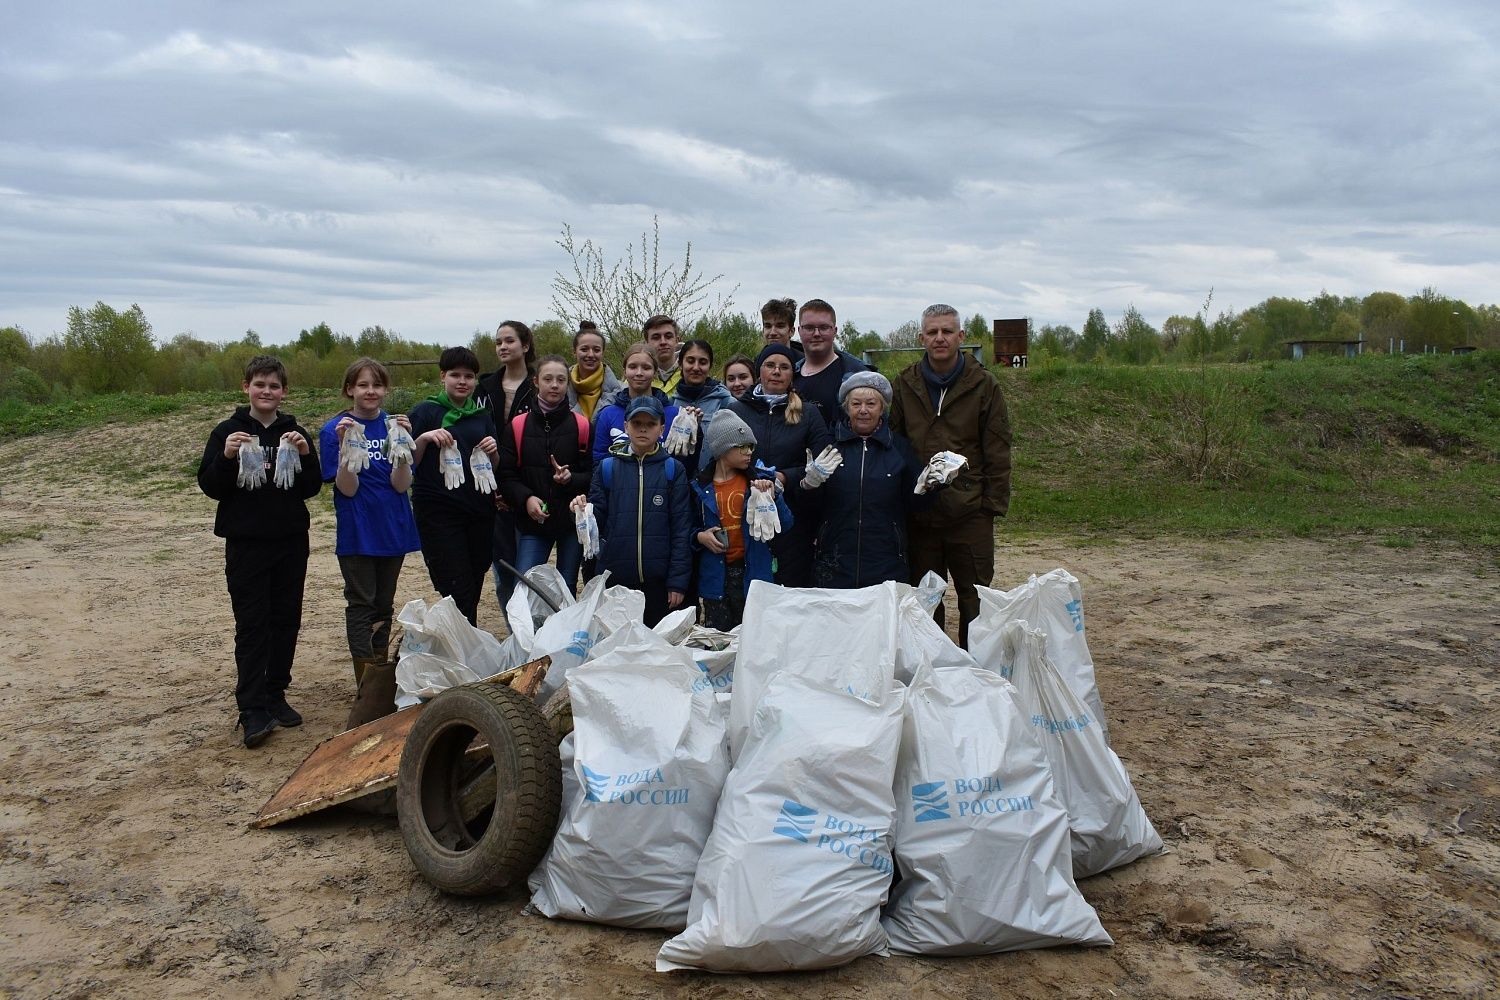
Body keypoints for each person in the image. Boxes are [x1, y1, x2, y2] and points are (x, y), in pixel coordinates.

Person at [197, 355, 321, 748]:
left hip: (290, 542)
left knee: (286, 620)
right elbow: (211, 486)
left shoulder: (295, 432)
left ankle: (275, 693)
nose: (266, 391)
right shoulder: (227, 432)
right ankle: (251, 708)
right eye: (259, 384)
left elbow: (311, 487)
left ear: (284, 391)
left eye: (274, 386)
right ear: (246, 387)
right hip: (246, 543)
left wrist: (305, 454)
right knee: (252, 625)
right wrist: (226, 457)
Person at [889, 304, 1012, 649]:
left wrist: (990, 507)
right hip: (921, 514)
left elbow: (998, 449)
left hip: (970, 512)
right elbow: (895, 442)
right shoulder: (905, 383)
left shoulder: (984, 385)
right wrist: (905, 498)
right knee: (925, 600)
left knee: (976, 599)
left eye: (947, 331)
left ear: (961, 336)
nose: (939, 338)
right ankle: (933, 667)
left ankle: (977, 666)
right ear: (921, 338)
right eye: (932, 332)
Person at [318, 358, 422, 729]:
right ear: (350, 389)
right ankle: (365, 684)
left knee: (383, 604)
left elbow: (400, 484)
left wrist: (404, 448)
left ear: (385, 389)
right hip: (359, 530)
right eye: (362, 385)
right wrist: (345, 447)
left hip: (393, 527)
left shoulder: (393, 426)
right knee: (361, 604)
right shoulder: (334, 429)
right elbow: (347, 489)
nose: (370, 392)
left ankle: (379, 677)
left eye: (377, 385)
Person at [575, 396, 693, 626]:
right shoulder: (607, 468)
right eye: (637, 423)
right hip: (616, 580)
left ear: (662, 429)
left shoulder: (672, 469)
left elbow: (681, 529)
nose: (643, 429)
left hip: (658, 581)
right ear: (626, 426)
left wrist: (677, 582)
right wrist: (581, 512)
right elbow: (596, 525)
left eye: (650, 424)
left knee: (655, 642)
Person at [408, 346, 500, 626]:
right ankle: (462, 641)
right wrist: (424, 438)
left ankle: (463, 636)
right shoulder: (425, 412)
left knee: (474, 578)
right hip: (439, 512)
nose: (462, 381)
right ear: (442, 377)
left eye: (469, 376)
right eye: (455, 375)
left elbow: (493, 467)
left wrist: (493, 450)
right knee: (456, 585)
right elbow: (407, 462)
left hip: (479, 511)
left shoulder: (481, 415)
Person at [726, 344, 831, 587]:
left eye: (784, 367)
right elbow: (723, 459)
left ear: (792, 374)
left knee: (790, 589)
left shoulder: (808, 413)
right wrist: (754, 478)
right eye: (770, 365)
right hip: (745, 511)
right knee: (751, 588)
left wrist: (786, 477)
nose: (776, 371)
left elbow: (822, 461)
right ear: (759, 371)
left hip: (794, 517)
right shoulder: (736, 410)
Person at [813, 372, 930, 589]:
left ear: (882, 408)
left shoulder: (899, 448)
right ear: (846, 408)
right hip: (835, 559)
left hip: (886, 558)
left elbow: (916, 504)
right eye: (856, 404)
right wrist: (808, 485)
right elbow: (811, 505)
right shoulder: (828, 446)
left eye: (871, 404)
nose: (863, 410)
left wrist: (931, 486)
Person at [498, 355, 592, 597]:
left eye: (561, 380)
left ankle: (563, 624)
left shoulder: (582, 425)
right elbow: (506, 475)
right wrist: (526, 498)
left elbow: (592, 474)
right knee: (525, 586)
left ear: (568, 383)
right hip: (533, 522)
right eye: (548, 379)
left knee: (566, 587)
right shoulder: (518, 426)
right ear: (536, 381)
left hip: (570, 521)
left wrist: (571, 479)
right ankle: (530, 625)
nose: (554, 385)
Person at [692, 410, 791, 630]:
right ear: (722, 448)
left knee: (756, 638)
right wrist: (699, 537)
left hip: (754, 575)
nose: (749, 453)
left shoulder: (760, 480)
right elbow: (687, 527)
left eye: (751, 447)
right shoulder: (700, 486)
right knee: (718, 642)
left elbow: (785, 525)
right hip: (715, 579)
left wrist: (773, 497)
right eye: (742, 447)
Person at [476, 320, 536, 613]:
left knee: (529, 563)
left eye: (509, 341)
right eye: (498, 342)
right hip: (490, 481)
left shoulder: (539, 383)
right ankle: (513, 627)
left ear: (525, 345)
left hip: (527, 482)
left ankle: (531, 626)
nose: (503, 347)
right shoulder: (484, 387)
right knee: (502, 563)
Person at [591, 342, 680, 465]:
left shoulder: (675, 415)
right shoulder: (607, 414)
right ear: (625, 372)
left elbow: (682, 463)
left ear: (655, 372)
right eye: (632, 367)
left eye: (646, 367)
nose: (639, 372)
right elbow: (599, 461)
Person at [793, 298, 872, 428]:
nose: (816, 334)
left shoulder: (858, 375)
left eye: (824, 327)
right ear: (799, 330)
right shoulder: (788, 376)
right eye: (809, 328)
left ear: (835, 331)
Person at [671, 338, 734, 472]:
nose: (696, 367)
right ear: (680, 363)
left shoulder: (726, 402)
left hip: (715, 480)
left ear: (710, 366)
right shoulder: (671, 404)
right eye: (690, 361)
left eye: (703, 362)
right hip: (679, 479)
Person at [566, 321, 621, 421]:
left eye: (596, 350)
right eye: (584, 349)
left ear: (603, 353)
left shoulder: (621, 393)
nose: (591, 354)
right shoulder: (559, 389)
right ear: (574, 352)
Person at [645, 314, 683, 396]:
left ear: (677, 340)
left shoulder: (692, 373)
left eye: (668, 336)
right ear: (646, 343)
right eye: (656, 337)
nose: (663, 342)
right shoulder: (635, 377)